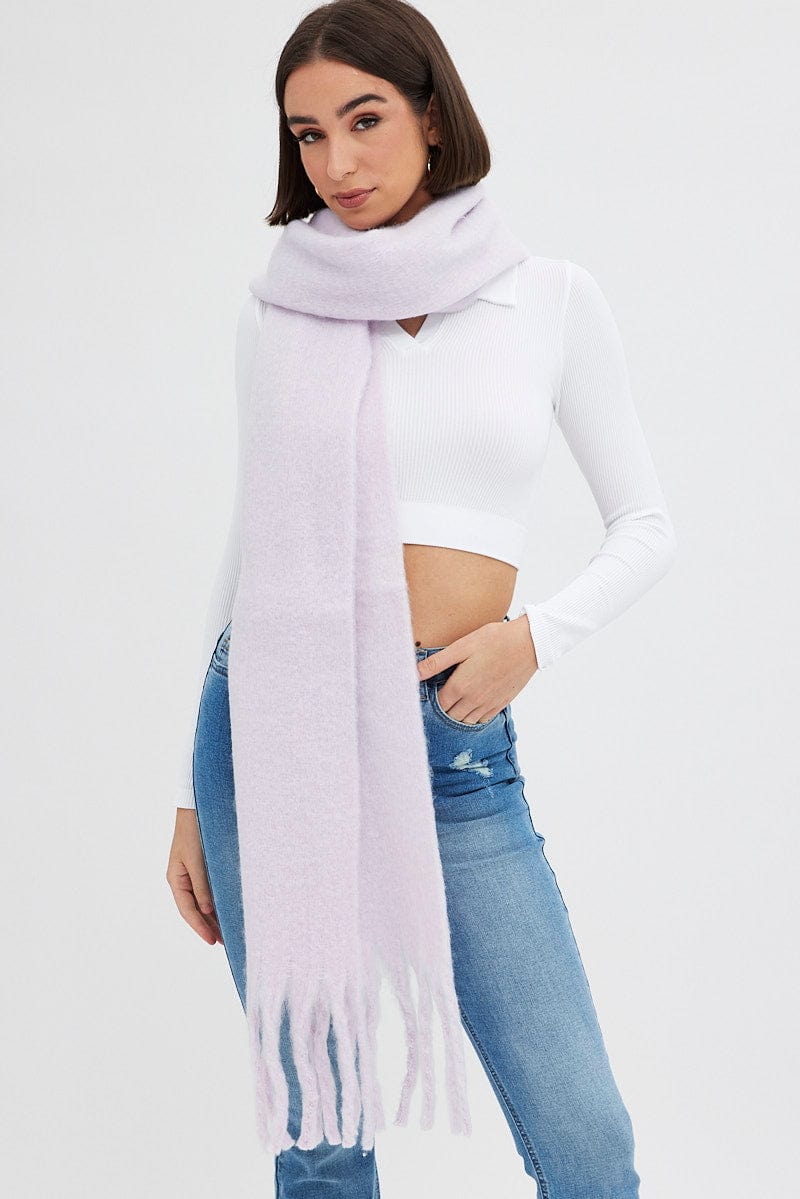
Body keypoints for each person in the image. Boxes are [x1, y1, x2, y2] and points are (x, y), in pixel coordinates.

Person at [166, 1, 677, 1194]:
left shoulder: (544, 296)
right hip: (268, 728)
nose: (335, 163)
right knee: (321, 1137)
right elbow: (248, 539)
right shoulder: (275, 307)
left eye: (364, 120)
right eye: (306, 134)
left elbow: (647, 526)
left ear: (432, 118)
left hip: (447, 737)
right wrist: (187, 792)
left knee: (586, 1142)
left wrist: (530, 640)